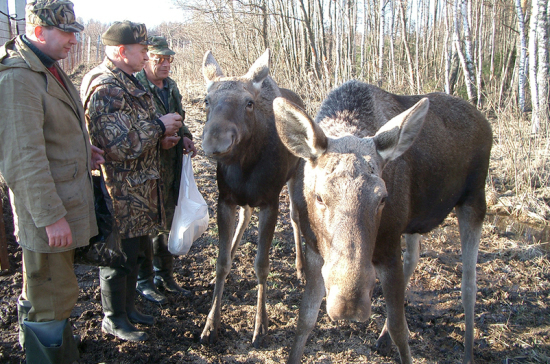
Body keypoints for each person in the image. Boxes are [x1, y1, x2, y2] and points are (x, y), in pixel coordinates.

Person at [0, 0, 104, 363]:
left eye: (76, 33)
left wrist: (83, 150)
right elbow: (21, 158)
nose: (74, 40)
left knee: (56, 294)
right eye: (67, 33)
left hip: (64, 204)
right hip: (48, 214)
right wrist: (49, 217)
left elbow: (51, 132)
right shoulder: (18, 78)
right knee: (49, 299)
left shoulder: (48, 68)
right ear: (39, 31)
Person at [80, 20, 183, 342]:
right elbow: (116, 144)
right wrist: (159, 126)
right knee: (118, 258)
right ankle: (114, 318)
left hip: (140, 188)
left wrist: (162, 138)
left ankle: (129, 309)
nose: (145, 56)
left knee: (137, 252)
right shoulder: (106, 86)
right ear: (123, 51)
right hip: (120, 191)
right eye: (141, 50)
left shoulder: (127, 81)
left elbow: (136, 130)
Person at [135, 36, 197, 305]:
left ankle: (165, 277)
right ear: (146, 58)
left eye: (169, 59)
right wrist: (158, 141)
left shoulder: (170, 86)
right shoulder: (135, 86)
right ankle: (144, 281)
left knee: (168, 220)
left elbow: (179, 117)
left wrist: (185, 136)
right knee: (146, 224)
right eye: (160, 59)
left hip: (171, 166)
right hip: (146, 168)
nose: (166, 64)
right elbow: (135, 130)